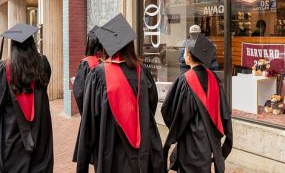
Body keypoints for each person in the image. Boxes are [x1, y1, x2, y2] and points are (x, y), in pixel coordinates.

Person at [76, 14, 164, 173]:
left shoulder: (98, 75)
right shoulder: (142, 72)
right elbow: (151, 105)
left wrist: (82, 166)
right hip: (142, 153)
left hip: (110, 152)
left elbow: (89, 123)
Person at [162, 33, 233, 173]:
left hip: (190, 142)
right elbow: (224, 112)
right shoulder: (214, 79)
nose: (183, 56)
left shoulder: (184, 81)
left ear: (188, 57)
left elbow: (169, 111)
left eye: (184, 53)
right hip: (209, 142)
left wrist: (175, 128)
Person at [0, 23, 53, 172]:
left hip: (13, 143)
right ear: (32, 44)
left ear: (13, 46)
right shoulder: (42, 65)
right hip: (40, 140)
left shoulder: (5, 70)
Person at [72, 25, 105, 163]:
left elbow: (79, 93)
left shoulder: (87, 63)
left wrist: (86, 113)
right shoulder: (108, 62)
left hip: (92, 115)